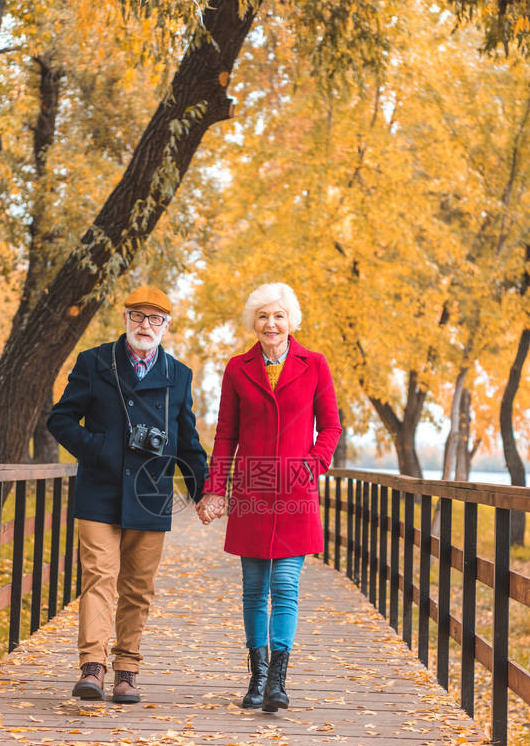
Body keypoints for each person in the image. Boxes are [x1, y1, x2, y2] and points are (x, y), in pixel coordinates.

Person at [48, 286, 208, 703]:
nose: (146, 325)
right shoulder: (95, 362)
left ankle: (127, 672)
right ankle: (93, 668)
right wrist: (100, 448)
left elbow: (188, 442)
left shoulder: (179, 375)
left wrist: (205, 492)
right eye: (138, 316)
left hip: (151, 495)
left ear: (166, 327)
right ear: (126, 319)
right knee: (100, 577)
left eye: (155, 319)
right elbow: (60, 419)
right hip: (99, 490)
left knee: (138, 587)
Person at [197, 283, 341, 712]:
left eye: (278, 316)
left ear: (290, 321)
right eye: (262, 316)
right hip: (253, 490)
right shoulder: (237, 368)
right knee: (254, 588)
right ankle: (256, 678)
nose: (271, 324)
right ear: (253, 323)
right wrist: (214, 489)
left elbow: (331, 427)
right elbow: (226, 434)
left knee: (286, 585)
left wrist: (311, 465)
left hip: (296, 491)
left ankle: (278, 679)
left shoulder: (314, 364)